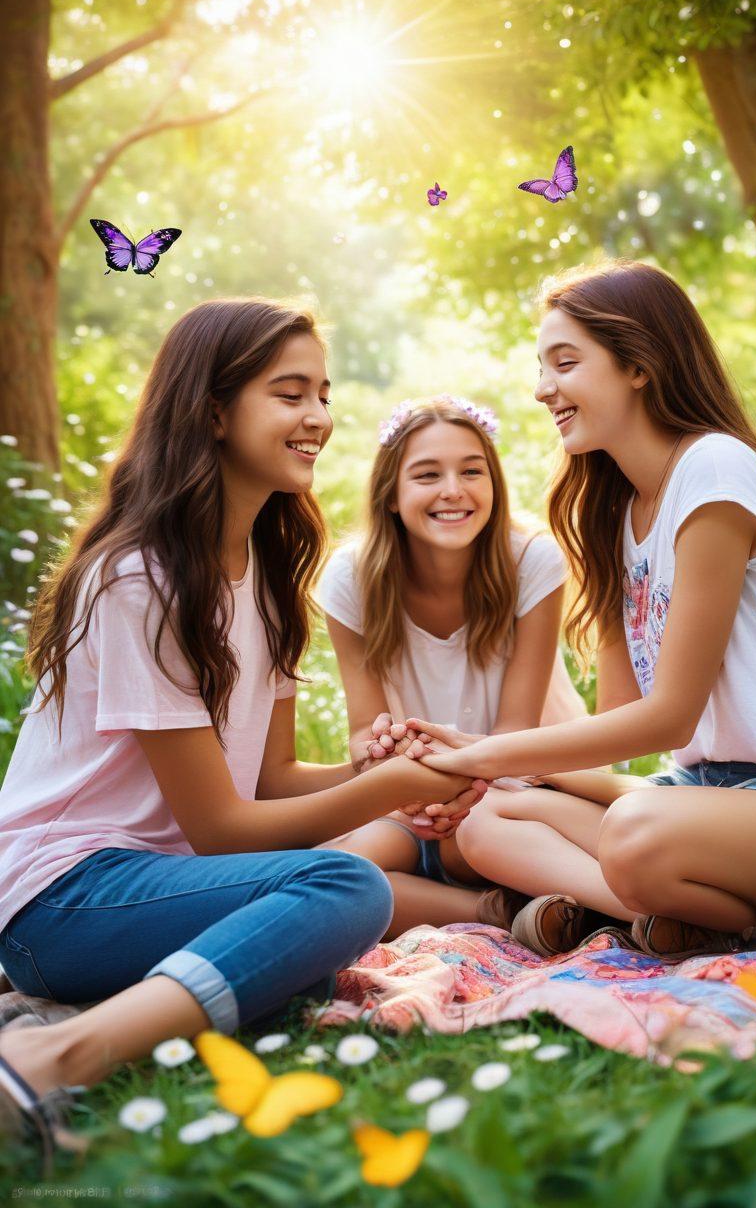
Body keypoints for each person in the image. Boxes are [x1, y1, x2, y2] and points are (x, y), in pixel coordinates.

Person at [0, 297, 483, 1152]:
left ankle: (155, 1005)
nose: (319, 418)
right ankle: (53, 1058)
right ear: (213, 411)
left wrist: (387, 769)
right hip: (60, 901)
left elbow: (269, 783)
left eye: (323, 394)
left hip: (162, 883)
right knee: (344, 888)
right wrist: (389, 791)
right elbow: (223, 829)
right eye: (290, 393)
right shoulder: (138, 577)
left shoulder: (265, 576)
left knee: (332, 905)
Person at [403, 259, 756, 963]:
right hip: (702, 792)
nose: (544, 390)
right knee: (487, 822)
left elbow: (669, 717)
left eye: (565, 363)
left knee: (637, 831)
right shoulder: (615, 514)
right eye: (544, 368)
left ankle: (651, 906)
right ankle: (674, 916)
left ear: (639, 364)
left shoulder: (714, 471)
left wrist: (488, 752)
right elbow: (617, 728)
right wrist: (479, 769)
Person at [317, 394, 587, 935]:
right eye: (426, 475)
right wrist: (399, 775)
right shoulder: (350, 580)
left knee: (475, 836)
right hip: (414, 789)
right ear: (391, 495)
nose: (453, 490)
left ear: (494, 485)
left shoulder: (531, 560)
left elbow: (516, 728)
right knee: (344, 868)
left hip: (528, 779)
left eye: (472, 471)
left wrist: (454, 787)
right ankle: (499, 914)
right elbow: (361, 735)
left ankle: (513, 896)